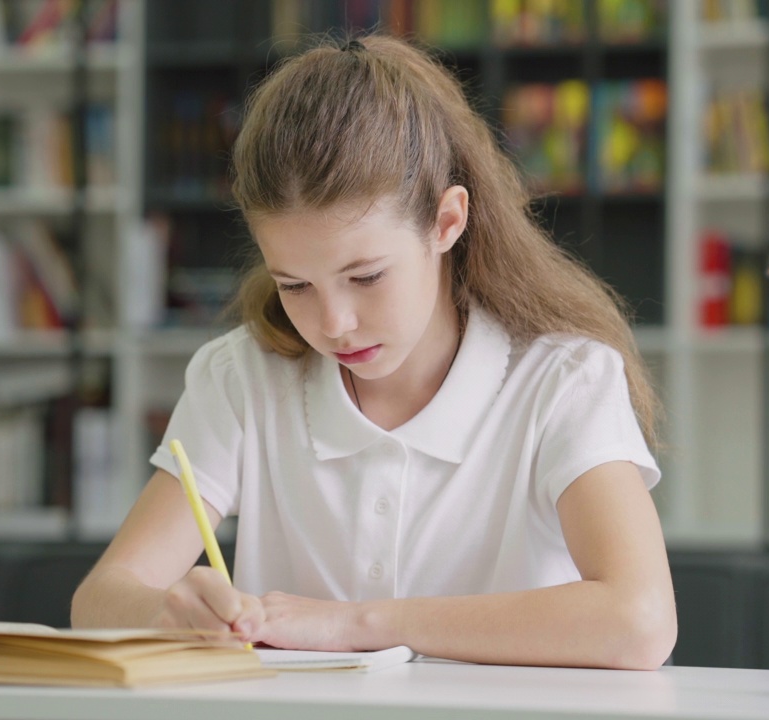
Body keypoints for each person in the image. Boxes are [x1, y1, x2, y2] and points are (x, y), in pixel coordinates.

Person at [72, 34, 676, 670]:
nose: (334, 324)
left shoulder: (563, 380)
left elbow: (639, 621)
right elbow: (98, 601)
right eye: (294, 285)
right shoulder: (241, 377)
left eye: (366, 277)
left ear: (447, 222)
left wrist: (356, 624)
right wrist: (163, 613)